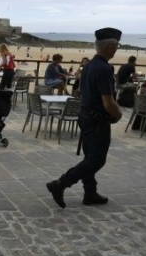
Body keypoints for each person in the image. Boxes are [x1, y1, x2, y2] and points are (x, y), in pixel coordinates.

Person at [46, 28, 123, 207]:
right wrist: (118, 115)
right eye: (116, 46)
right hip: (97, 121)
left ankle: (90, 192)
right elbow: (108, 102)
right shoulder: (104, 69)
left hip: (85, 116)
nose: (116, 49)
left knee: (90, 158)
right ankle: (60, 183)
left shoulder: (89, 66)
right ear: (110, 47)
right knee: (97, 160)